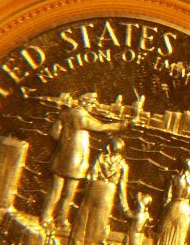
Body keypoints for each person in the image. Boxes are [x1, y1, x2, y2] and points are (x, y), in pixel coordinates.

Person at [41, 92, 128, 228]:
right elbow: (100, 127)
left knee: (54, 191)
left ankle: (46, 217)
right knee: (69, 193)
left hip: (60, 157)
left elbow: (54, 134)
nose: (93, 106)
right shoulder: (81, 116)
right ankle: (61, 220)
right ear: (83, 102)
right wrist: (121, 125)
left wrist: (65, 142)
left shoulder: (65, 114)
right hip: (75, 161)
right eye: (91, 103)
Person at [69, 138, 131, 245]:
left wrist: (89, 188)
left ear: (109, 147)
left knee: (85, 216)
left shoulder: (100, 158)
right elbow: (122, 187)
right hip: (109, 192)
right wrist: (125, 207)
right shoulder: (123, 165)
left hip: (95, 188)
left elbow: (90, 176)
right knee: (101, 220)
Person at [153, 158, 190, 245]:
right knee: (181, 235)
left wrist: (164, 210)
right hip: (186, 209)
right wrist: (189, 209)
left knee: (166, 233)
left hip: (172, 206)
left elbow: (166, 197)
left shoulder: (174, 178)